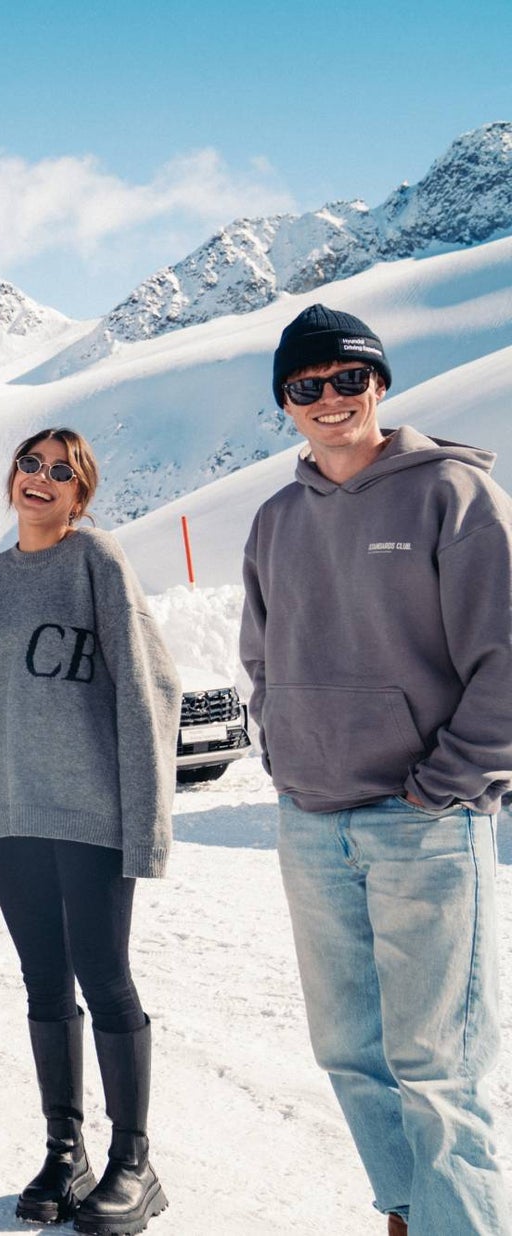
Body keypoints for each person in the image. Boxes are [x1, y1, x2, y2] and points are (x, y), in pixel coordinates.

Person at [242, 305, 511, 1235]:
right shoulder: (276, 519)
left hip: (426, 824)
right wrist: (286, 757)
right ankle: (408, 1214)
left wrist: (447, 782)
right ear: (286, 401)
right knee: (351, 1053)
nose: (329, 399)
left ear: (380, 384)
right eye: (306, 386)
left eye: (347, 379)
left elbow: (507, 658)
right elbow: (262, 658)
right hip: (312, 824)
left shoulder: (453, 494)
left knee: (441, 1067)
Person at [0, 427, 180, 1234]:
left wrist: (144, 823)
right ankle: (64, 1148)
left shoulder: (97, 561)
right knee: (43, 983)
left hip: (89, 818)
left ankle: (134, 1162)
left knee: (104, 978)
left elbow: (150, 687)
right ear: (11, 475)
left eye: (62, 473)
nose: (40, 479)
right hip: (13, 818)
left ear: (81, 497)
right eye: (30, 464)